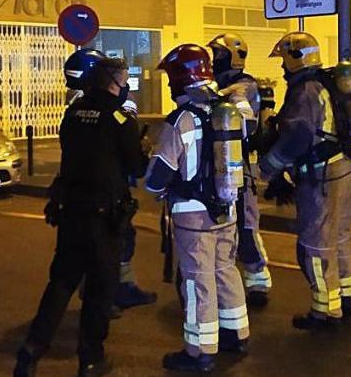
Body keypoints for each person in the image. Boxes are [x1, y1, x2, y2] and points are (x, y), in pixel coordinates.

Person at [15, 57, 147, 377]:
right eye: (124, 80)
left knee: (60, 284)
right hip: (104, 218)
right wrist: (140, 147)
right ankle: (91, 359)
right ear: (112, 83)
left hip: (71, 211)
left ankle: (31, 351)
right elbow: (137, 168)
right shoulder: (119, 118)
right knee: (101, 292)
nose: (126, 86)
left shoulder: (74, 112)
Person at [146, 44, 249, 372]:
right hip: (227, 208)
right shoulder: (227, 110)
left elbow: (157, 176)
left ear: (179, 79)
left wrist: (154, 186)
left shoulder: (182, 120)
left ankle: (199, 352)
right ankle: (236, 333)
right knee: (225, 270)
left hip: (193, 216)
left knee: (197, 280)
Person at [256, 32, 351, 330]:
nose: (282, 68)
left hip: (320, 177)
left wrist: (268, 166)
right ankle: (349, 299)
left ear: (295, 57)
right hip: (343, 168)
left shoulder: (304, 91)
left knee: (314, 246)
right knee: (339, 238)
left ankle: (325, 312)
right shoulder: (326, 82)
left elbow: (299, 136)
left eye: (284, 60)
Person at [62, 47, 157, 314]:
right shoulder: (98, 108)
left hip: (97, 186)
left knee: (123, 237)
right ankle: (100, 298)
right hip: (102, 189)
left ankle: (120, 289)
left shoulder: (78, 107)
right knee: (101, 244)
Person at [207, 33, 272, 308]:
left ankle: (258, 279)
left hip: (238, 166)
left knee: (246, 224)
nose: (214, 61)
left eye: (219, 55)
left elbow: (245, 120)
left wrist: (215, 98)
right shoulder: (220, 84)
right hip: (217, 163)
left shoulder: (243, 87)